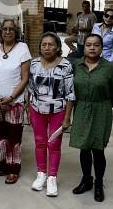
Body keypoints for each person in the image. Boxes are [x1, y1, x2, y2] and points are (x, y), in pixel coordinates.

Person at [70, 33, 113, 203]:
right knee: (83, 147)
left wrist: (104, 104)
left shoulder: (110, 68)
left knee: (98, 149)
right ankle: (87, 180)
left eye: (96, 45)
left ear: (101, 48)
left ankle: (99, 183)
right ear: (83, 47)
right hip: (81, 108)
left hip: (101, 109)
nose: (92, 47)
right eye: (88, 45)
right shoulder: (76, 65)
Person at [0, 19, 31, 185]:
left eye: (11, 29)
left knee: (13, 137)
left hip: (14, 102)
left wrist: (11, 97)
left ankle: (13, 169)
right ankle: (0, 165)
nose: (8, 31)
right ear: (0, 31)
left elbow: (25, 78)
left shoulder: (22, 49)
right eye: (5, 29)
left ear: (16, 32)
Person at [27, 33, 74, 197]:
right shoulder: (33, 64)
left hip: (58, 111)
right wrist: (28, 108)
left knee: (53, 144)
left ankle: (52, 177)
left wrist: (67, 117)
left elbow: (70, 94)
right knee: (39, 142)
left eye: (51, 45)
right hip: (36, 109)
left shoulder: (66, 65)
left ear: (58, 48)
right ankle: (41, 174)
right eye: (44, 45)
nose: (47, 48)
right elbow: (30, 89)